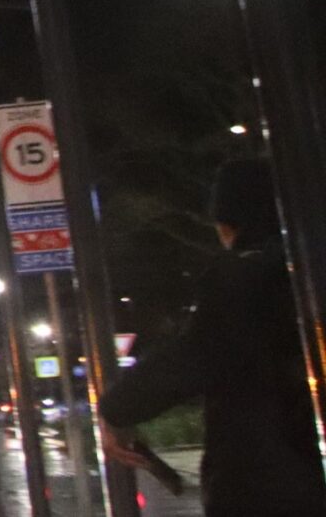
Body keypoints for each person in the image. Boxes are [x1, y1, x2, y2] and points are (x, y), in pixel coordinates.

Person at [101, 157, 326, 517]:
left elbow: (190, 358)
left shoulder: (243, 279)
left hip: (270, 481)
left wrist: (115, 409)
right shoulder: (304, 269)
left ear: (227, 222)